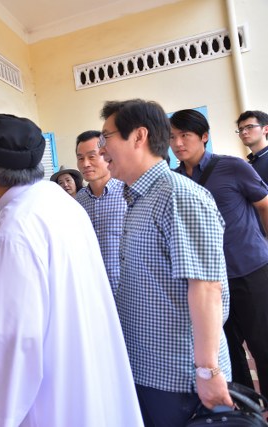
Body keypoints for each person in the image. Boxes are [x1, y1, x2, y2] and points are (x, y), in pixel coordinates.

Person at [0, 114, 143, 426]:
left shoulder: (11, 228)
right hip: (88, 368)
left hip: (52, 396)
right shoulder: (60, 202)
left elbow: (13, 342)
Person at [98, 100, 232, 426]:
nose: (101, 150)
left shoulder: (178, 195)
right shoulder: (138, 197)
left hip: (180, 376)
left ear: (138, 136)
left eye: (106, 138)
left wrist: (207, 370)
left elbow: (206, 288)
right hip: (148, 368)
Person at [170, 109, 268, 396]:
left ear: (204, 136)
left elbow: (264, 205)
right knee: (226, 349)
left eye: (185, 135)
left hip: (250, 270)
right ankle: (246, 407)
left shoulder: (233, 167)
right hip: (209, 279)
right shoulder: (175, 179)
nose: (178, 143)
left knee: (262, 344)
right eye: (172, 137)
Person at [74, 130, 126, 293]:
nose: (85, 164)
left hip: (127, 291)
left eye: (92, 156)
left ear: (107, 155)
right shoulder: (78, 201)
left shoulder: (128, 194)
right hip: (91, 290)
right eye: (80, 158)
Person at [237, 110, 268, 183]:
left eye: (250, 127)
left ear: (266, 129)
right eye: (240, 129)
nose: (244, 132)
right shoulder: (247, 164)